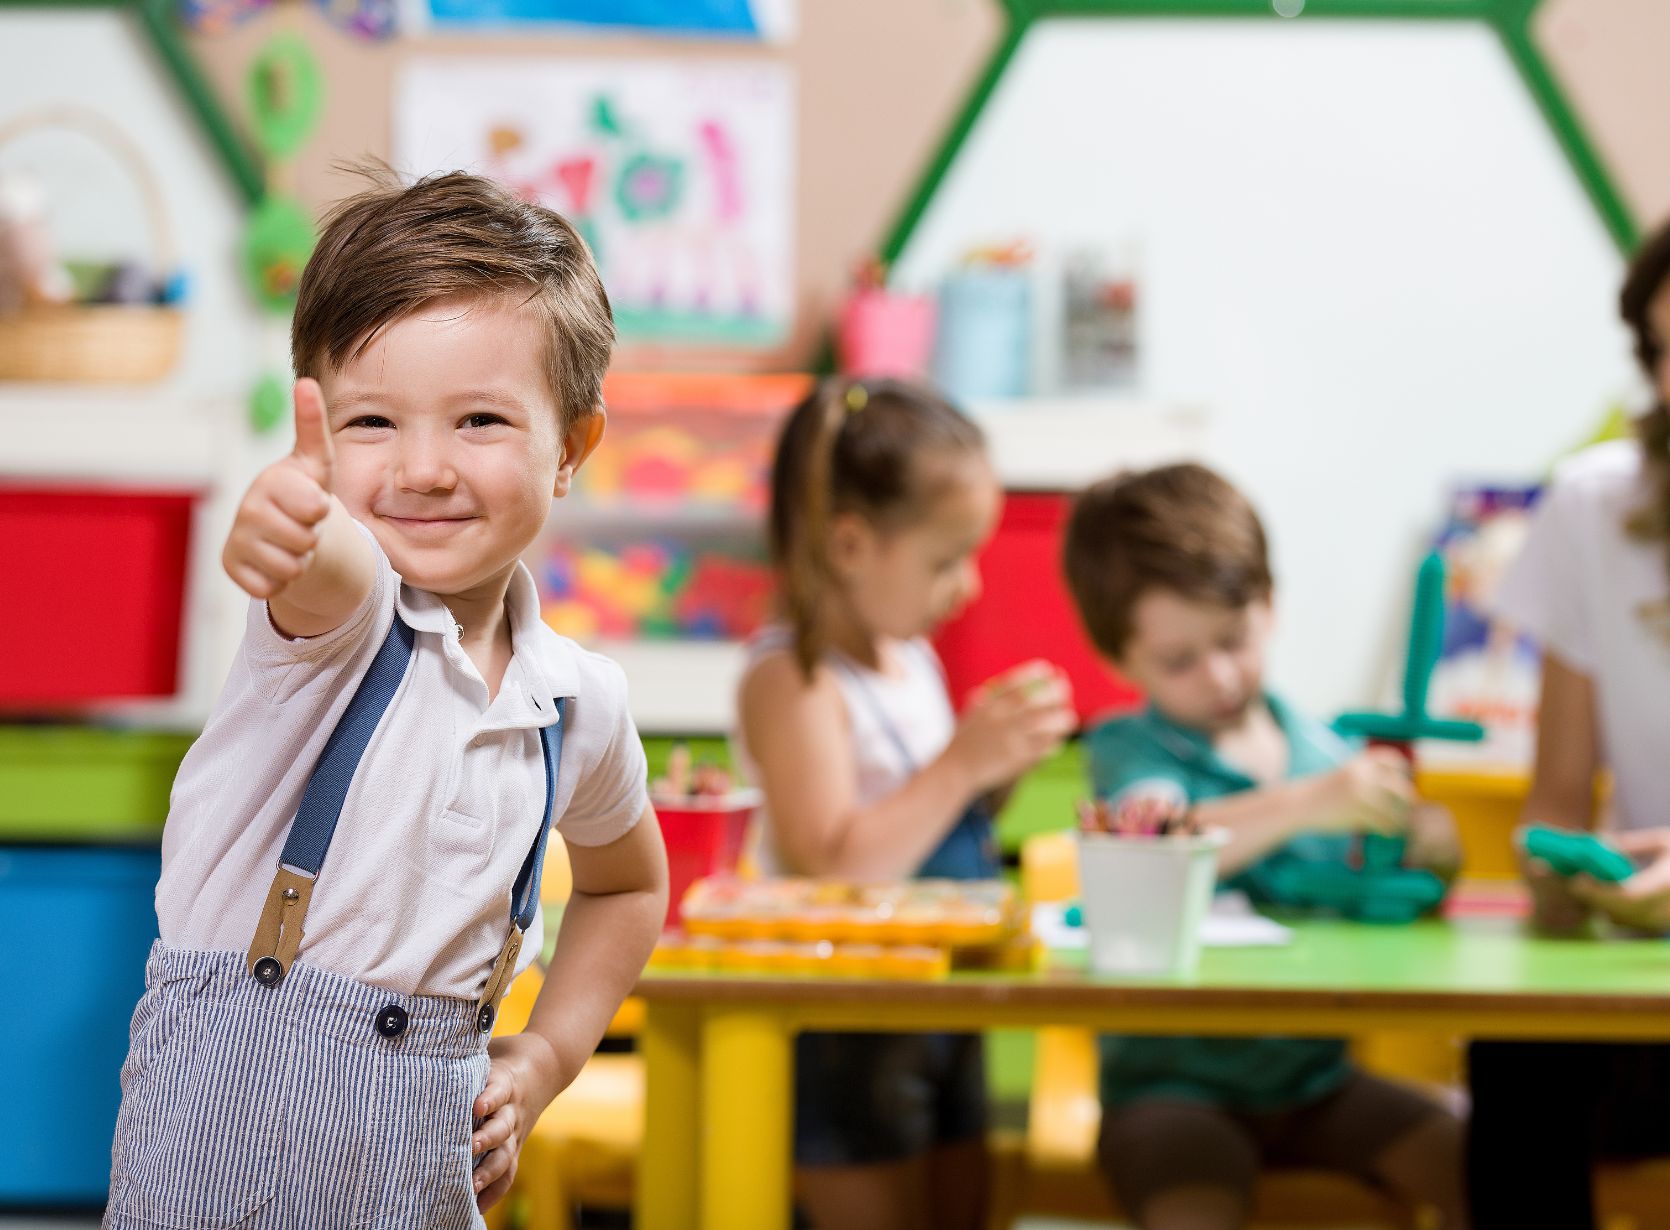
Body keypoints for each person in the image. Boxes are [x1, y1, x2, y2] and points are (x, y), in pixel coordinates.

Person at [103, 171, 667, 1228]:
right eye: (369, 422)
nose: (421, 468)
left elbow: (628, 888)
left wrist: (544, 1058)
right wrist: (287, 524)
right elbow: (323, 567)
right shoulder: (345, 621)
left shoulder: (578, 704)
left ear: (572, 451)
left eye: (480, 420)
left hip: (424, 1158)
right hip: (221, 1140)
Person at [1062, 462, 1468, 1230]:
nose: (1217, 675)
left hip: (1317, 1083)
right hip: (1170, 1091)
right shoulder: (1131, 753)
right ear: (1120, 663)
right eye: (1178, 661)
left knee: (1494, 1169)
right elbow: (1155, 842)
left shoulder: (1324, 750)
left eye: (1233, 639)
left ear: (1269, 605)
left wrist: (1431, 852)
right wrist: (1309, 804)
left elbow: (1392, 898)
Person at [734, 377, 1076, 1230]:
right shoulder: (795, 678)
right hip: (854, 1023)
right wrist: (962, 763)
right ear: (851, 545)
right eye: (947, 557)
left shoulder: (909, 659)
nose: (967, 588)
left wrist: (995, 770)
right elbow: (834, 864)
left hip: (941, 1002)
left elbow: (928, 829)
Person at [1467, 216, 1670, 1230]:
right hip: (1647, 983)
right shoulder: (1595, 508)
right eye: (1666, 352)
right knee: (1514, 1057)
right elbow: (1555, 796)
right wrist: (1556, 872)